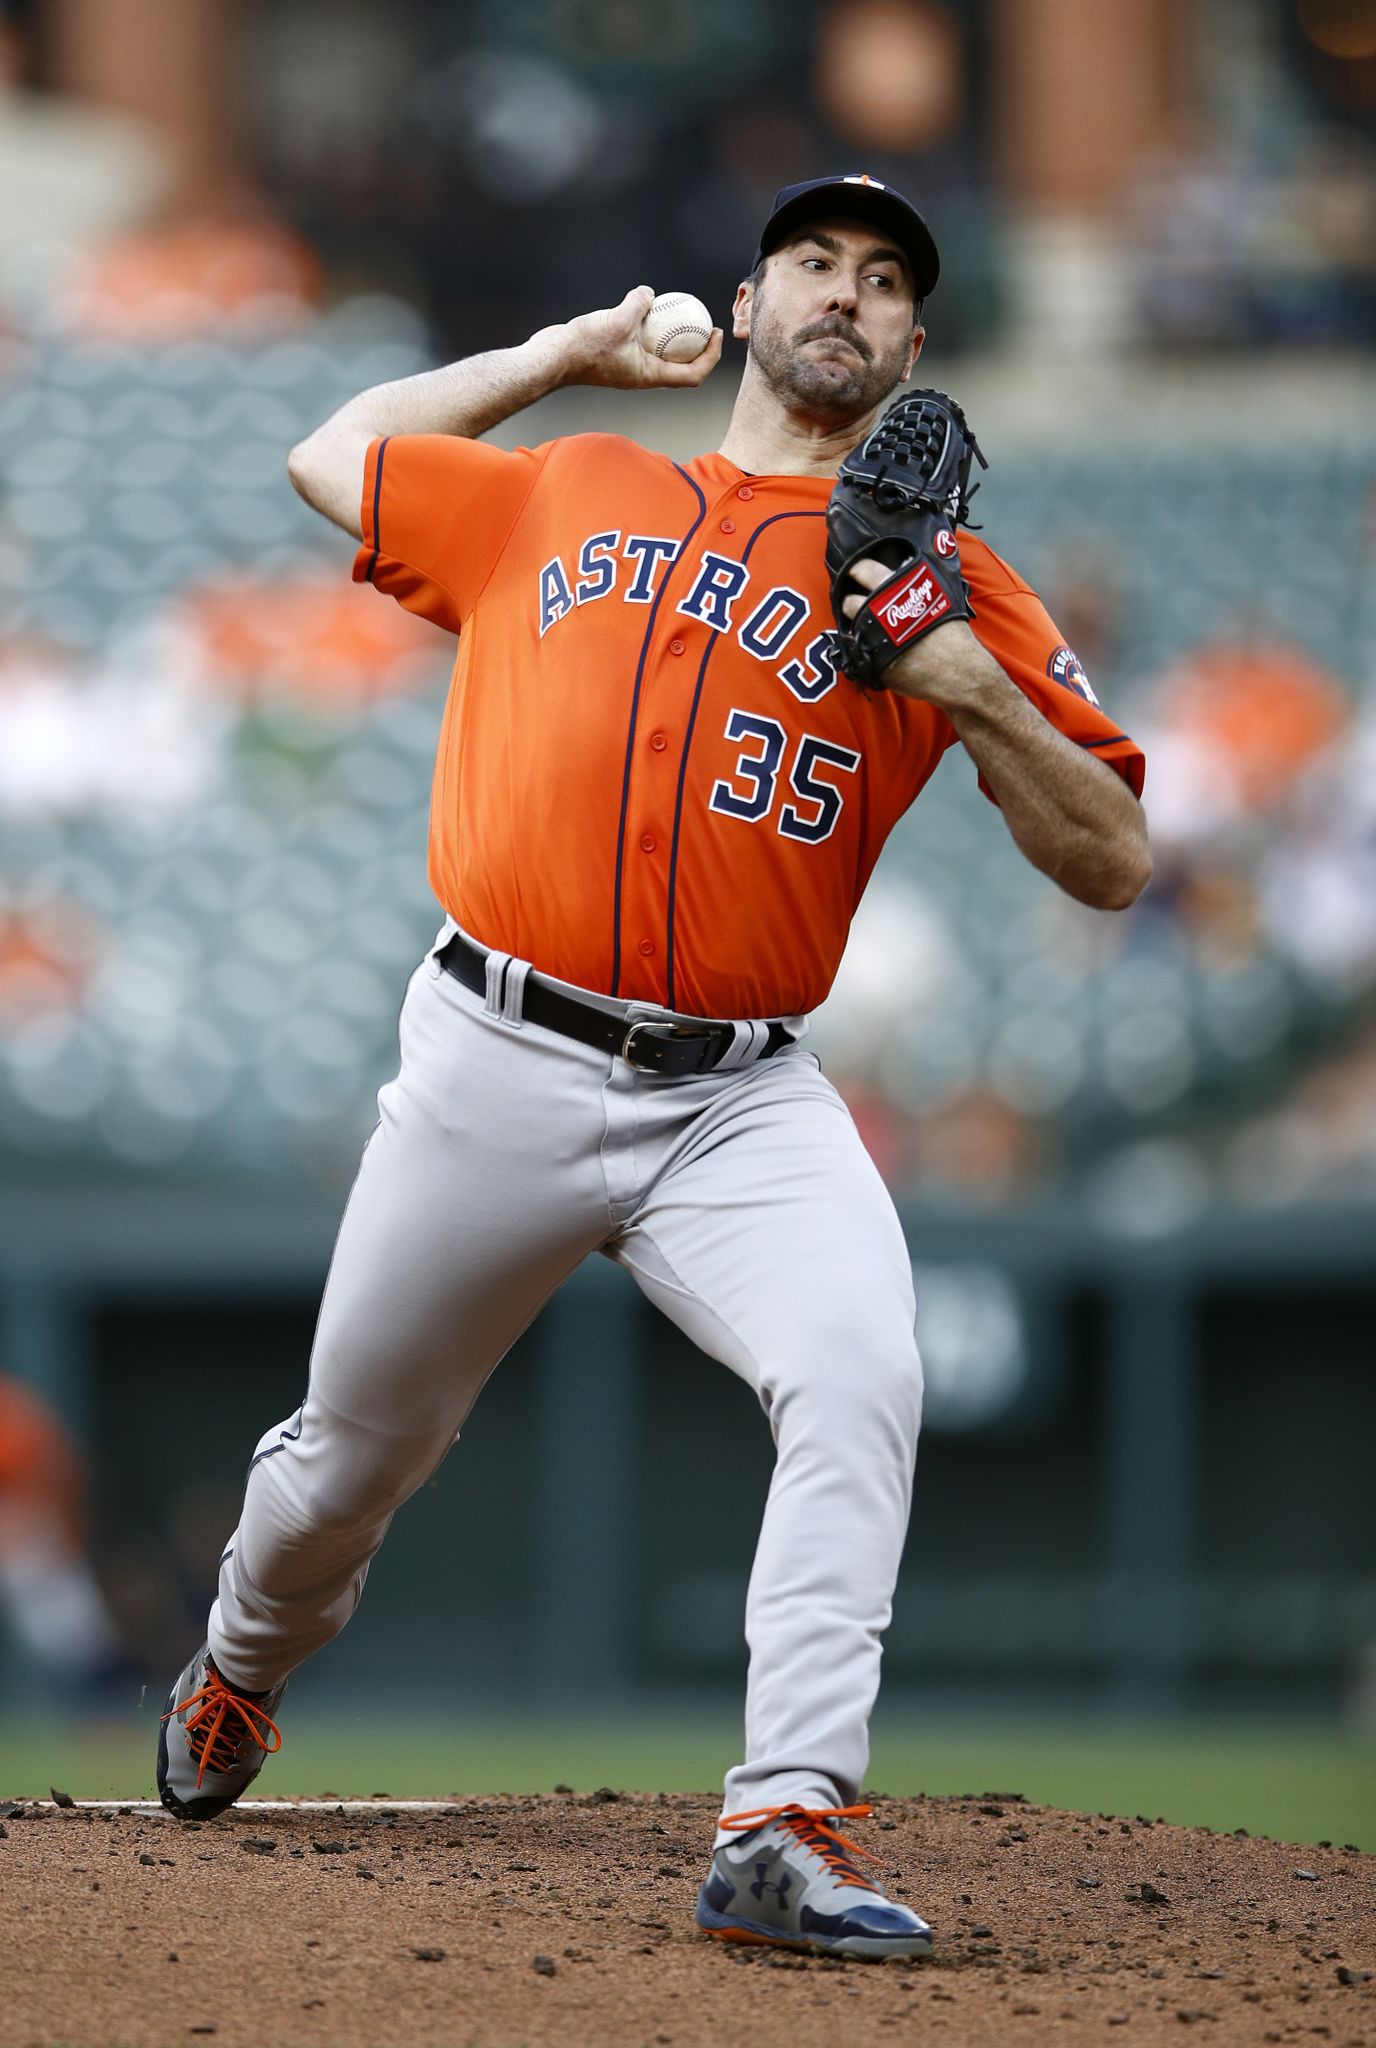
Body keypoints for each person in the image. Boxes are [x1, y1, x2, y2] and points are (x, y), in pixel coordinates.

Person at [156, 174, 1150, 1959]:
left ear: (917, 342)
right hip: (492, 1052)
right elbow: (330, 451)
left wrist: (968, 684)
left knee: (859, 1371)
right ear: (748, 307)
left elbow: (1113, 858)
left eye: (884, 281)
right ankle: (239, 1667)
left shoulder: (942, 585)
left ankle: (780, 1823)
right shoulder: (575, 491)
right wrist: (563, 356)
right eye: (814, 265)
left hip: (739, 1096)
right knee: (346, 1466)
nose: (847, 296)